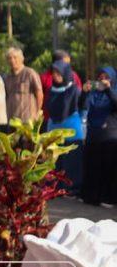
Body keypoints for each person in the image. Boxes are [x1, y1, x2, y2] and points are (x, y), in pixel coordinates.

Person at [80, 67, 117, 207]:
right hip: (93, 135)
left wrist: (108, 89)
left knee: (107, 168)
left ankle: (107, 198)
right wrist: (84, 92)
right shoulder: (94, 94)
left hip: (109, 136)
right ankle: (91, 197)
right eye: (100, 77)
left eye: (106, 77)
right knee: (92, 167)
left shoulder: (113, 92)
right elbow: (82, 106)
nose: (102, 80)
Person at [46, 62, 84, 196]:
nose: (55, 76)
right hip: (54, 129)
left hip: (71, 129)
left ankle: (72, 188)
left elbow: (78, 107)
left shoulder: (74, 89)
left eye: (59, 73)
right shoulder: (51, 89)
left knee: (71, 162)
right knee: (55, 161)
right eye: (54, 73)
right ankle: (54, 188)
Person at [4, 47, 43, 123]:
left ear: (22, 59)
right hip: (12, 119)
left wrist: (38, 112)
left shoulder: (30, 73)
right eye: (9, 58)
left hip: (28, 119)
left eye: (15, 57)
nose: (12, 61)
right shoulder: (7, 77)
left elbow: (39, 93)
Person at [41, 50, 82, 121]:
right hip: (49, 118)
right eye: (66, 63)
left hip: (69, 118)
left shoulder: (74, 76)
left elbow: (80, 97)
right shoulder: (44, 78)